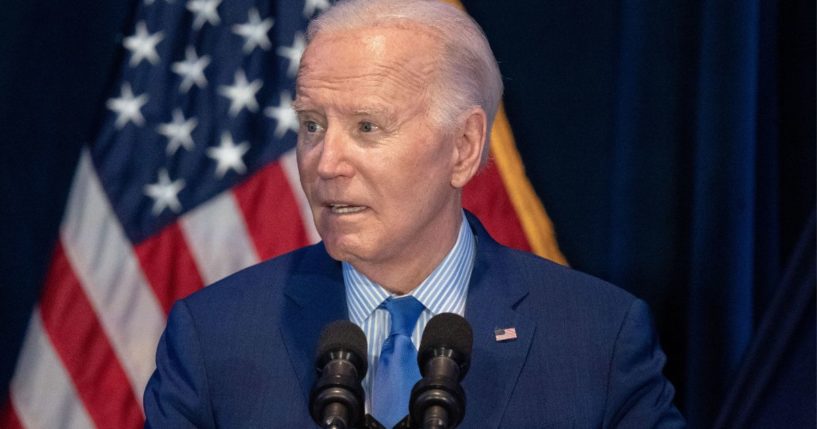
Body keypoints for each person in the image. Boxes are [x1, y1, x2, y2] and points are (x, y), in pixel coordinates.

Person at [143, 0, 685, 427]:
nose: (326, 163)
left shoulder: (598, 340)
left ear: (464, 147)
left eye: (367, 127)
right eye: (312, 125)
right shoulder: (213, 339)